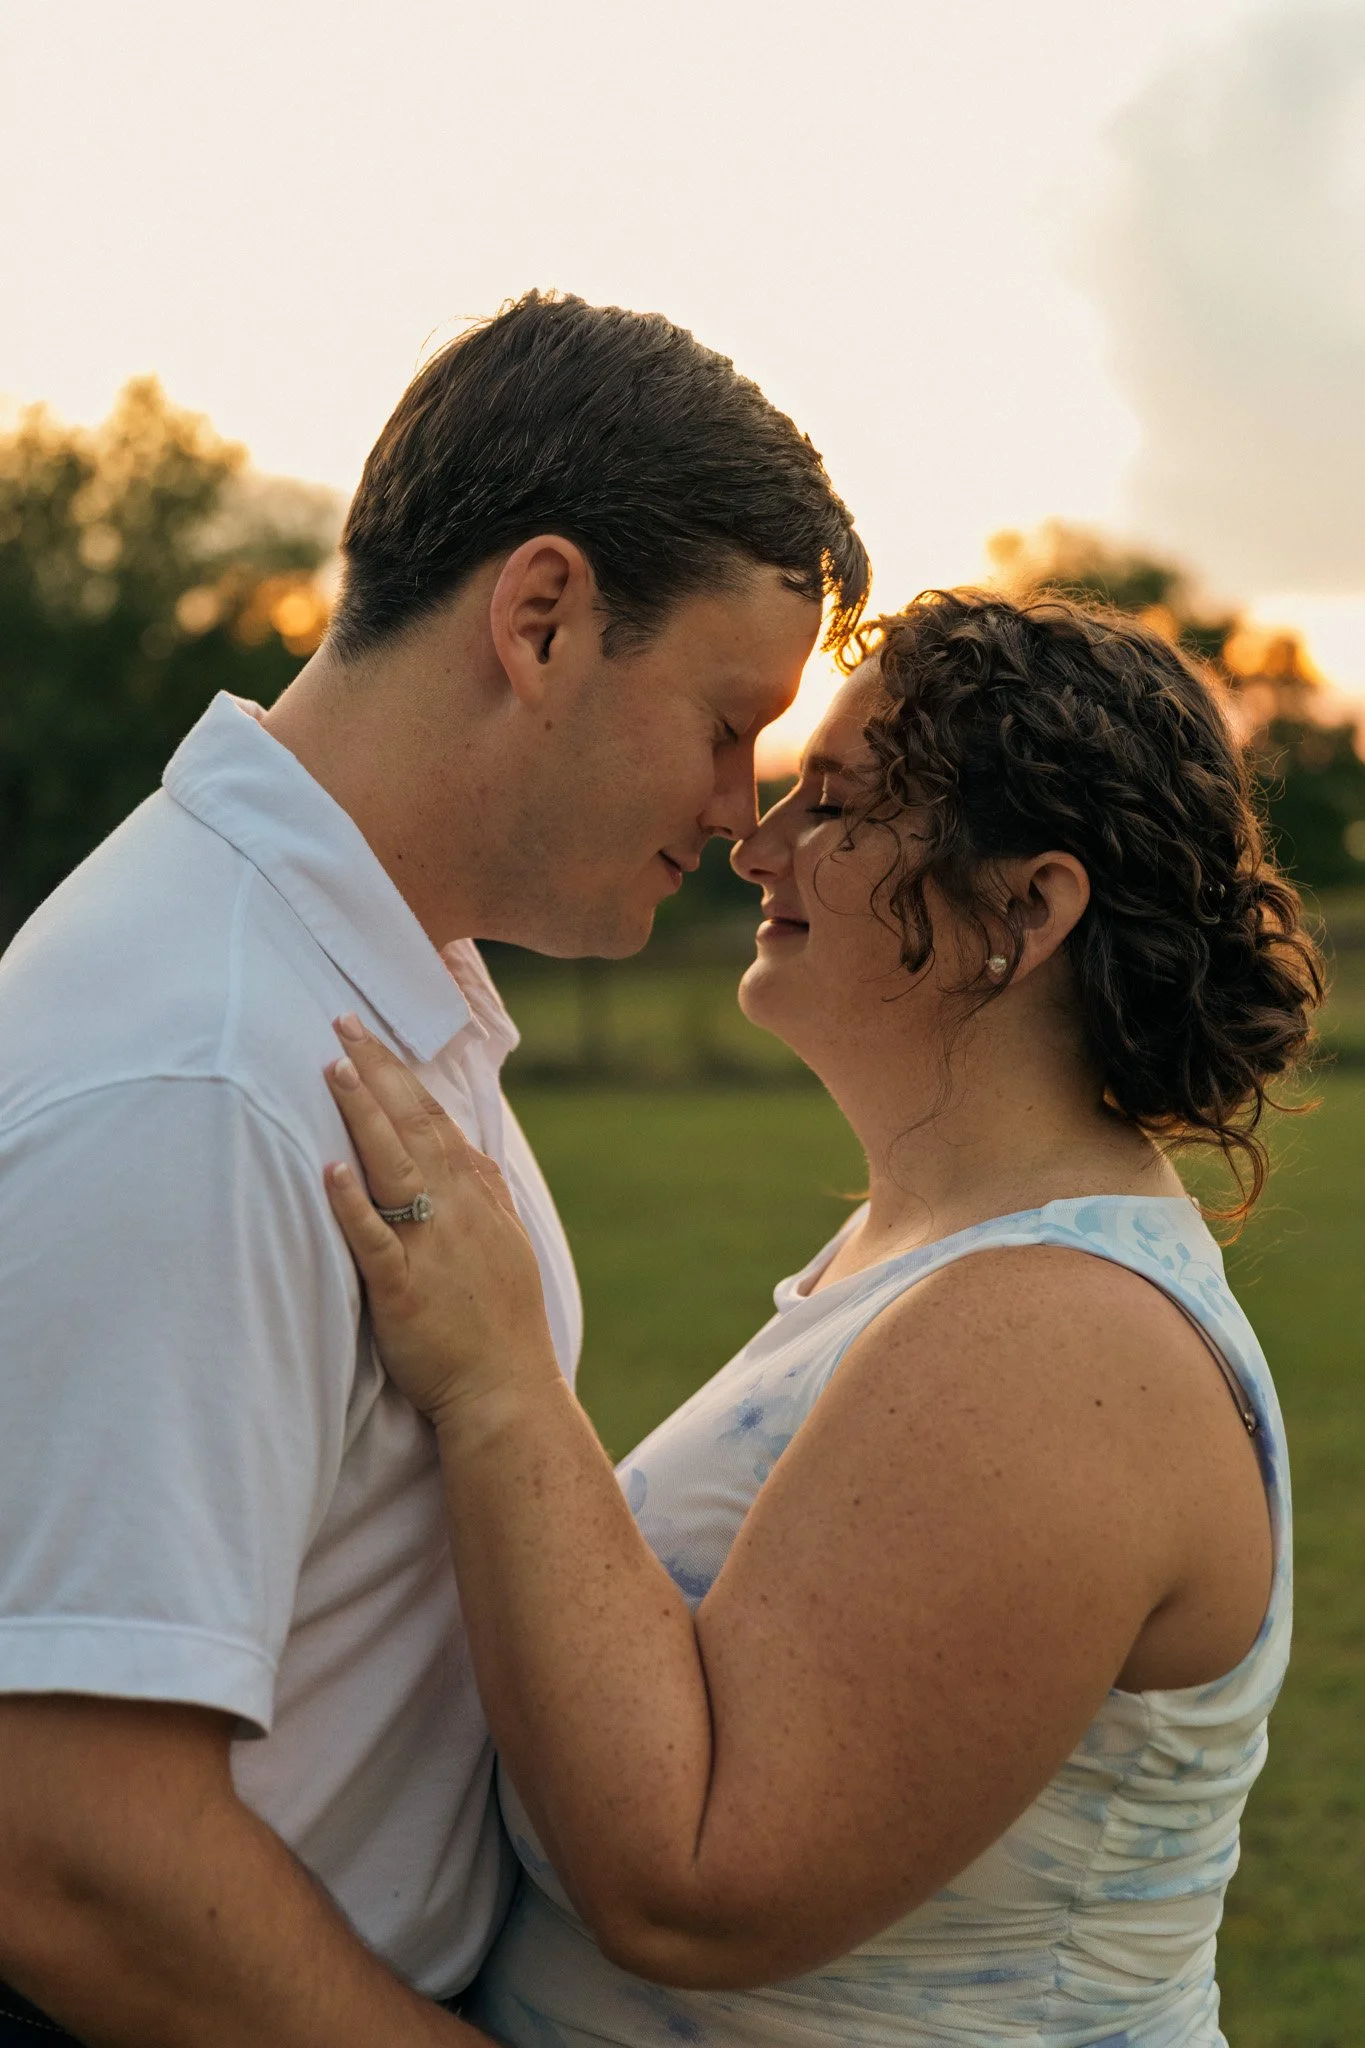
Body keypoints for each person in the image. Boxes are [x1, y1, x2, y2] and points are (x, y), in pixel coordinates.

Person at [0, 291, 868, 2045]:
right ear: (542, 618)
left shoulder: (369, 971)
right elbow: (67, 1847)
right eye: (723, 720)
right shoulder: (208, 1075)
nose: (738, 808)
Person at [321, 589, 1324, 2048]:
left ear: (1025, 912)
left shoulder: (1058, 1340)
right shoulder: (929, 1257)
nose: (757, 841)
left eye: (836, 802)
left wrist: (498, 1381)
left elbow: (698, 1887)